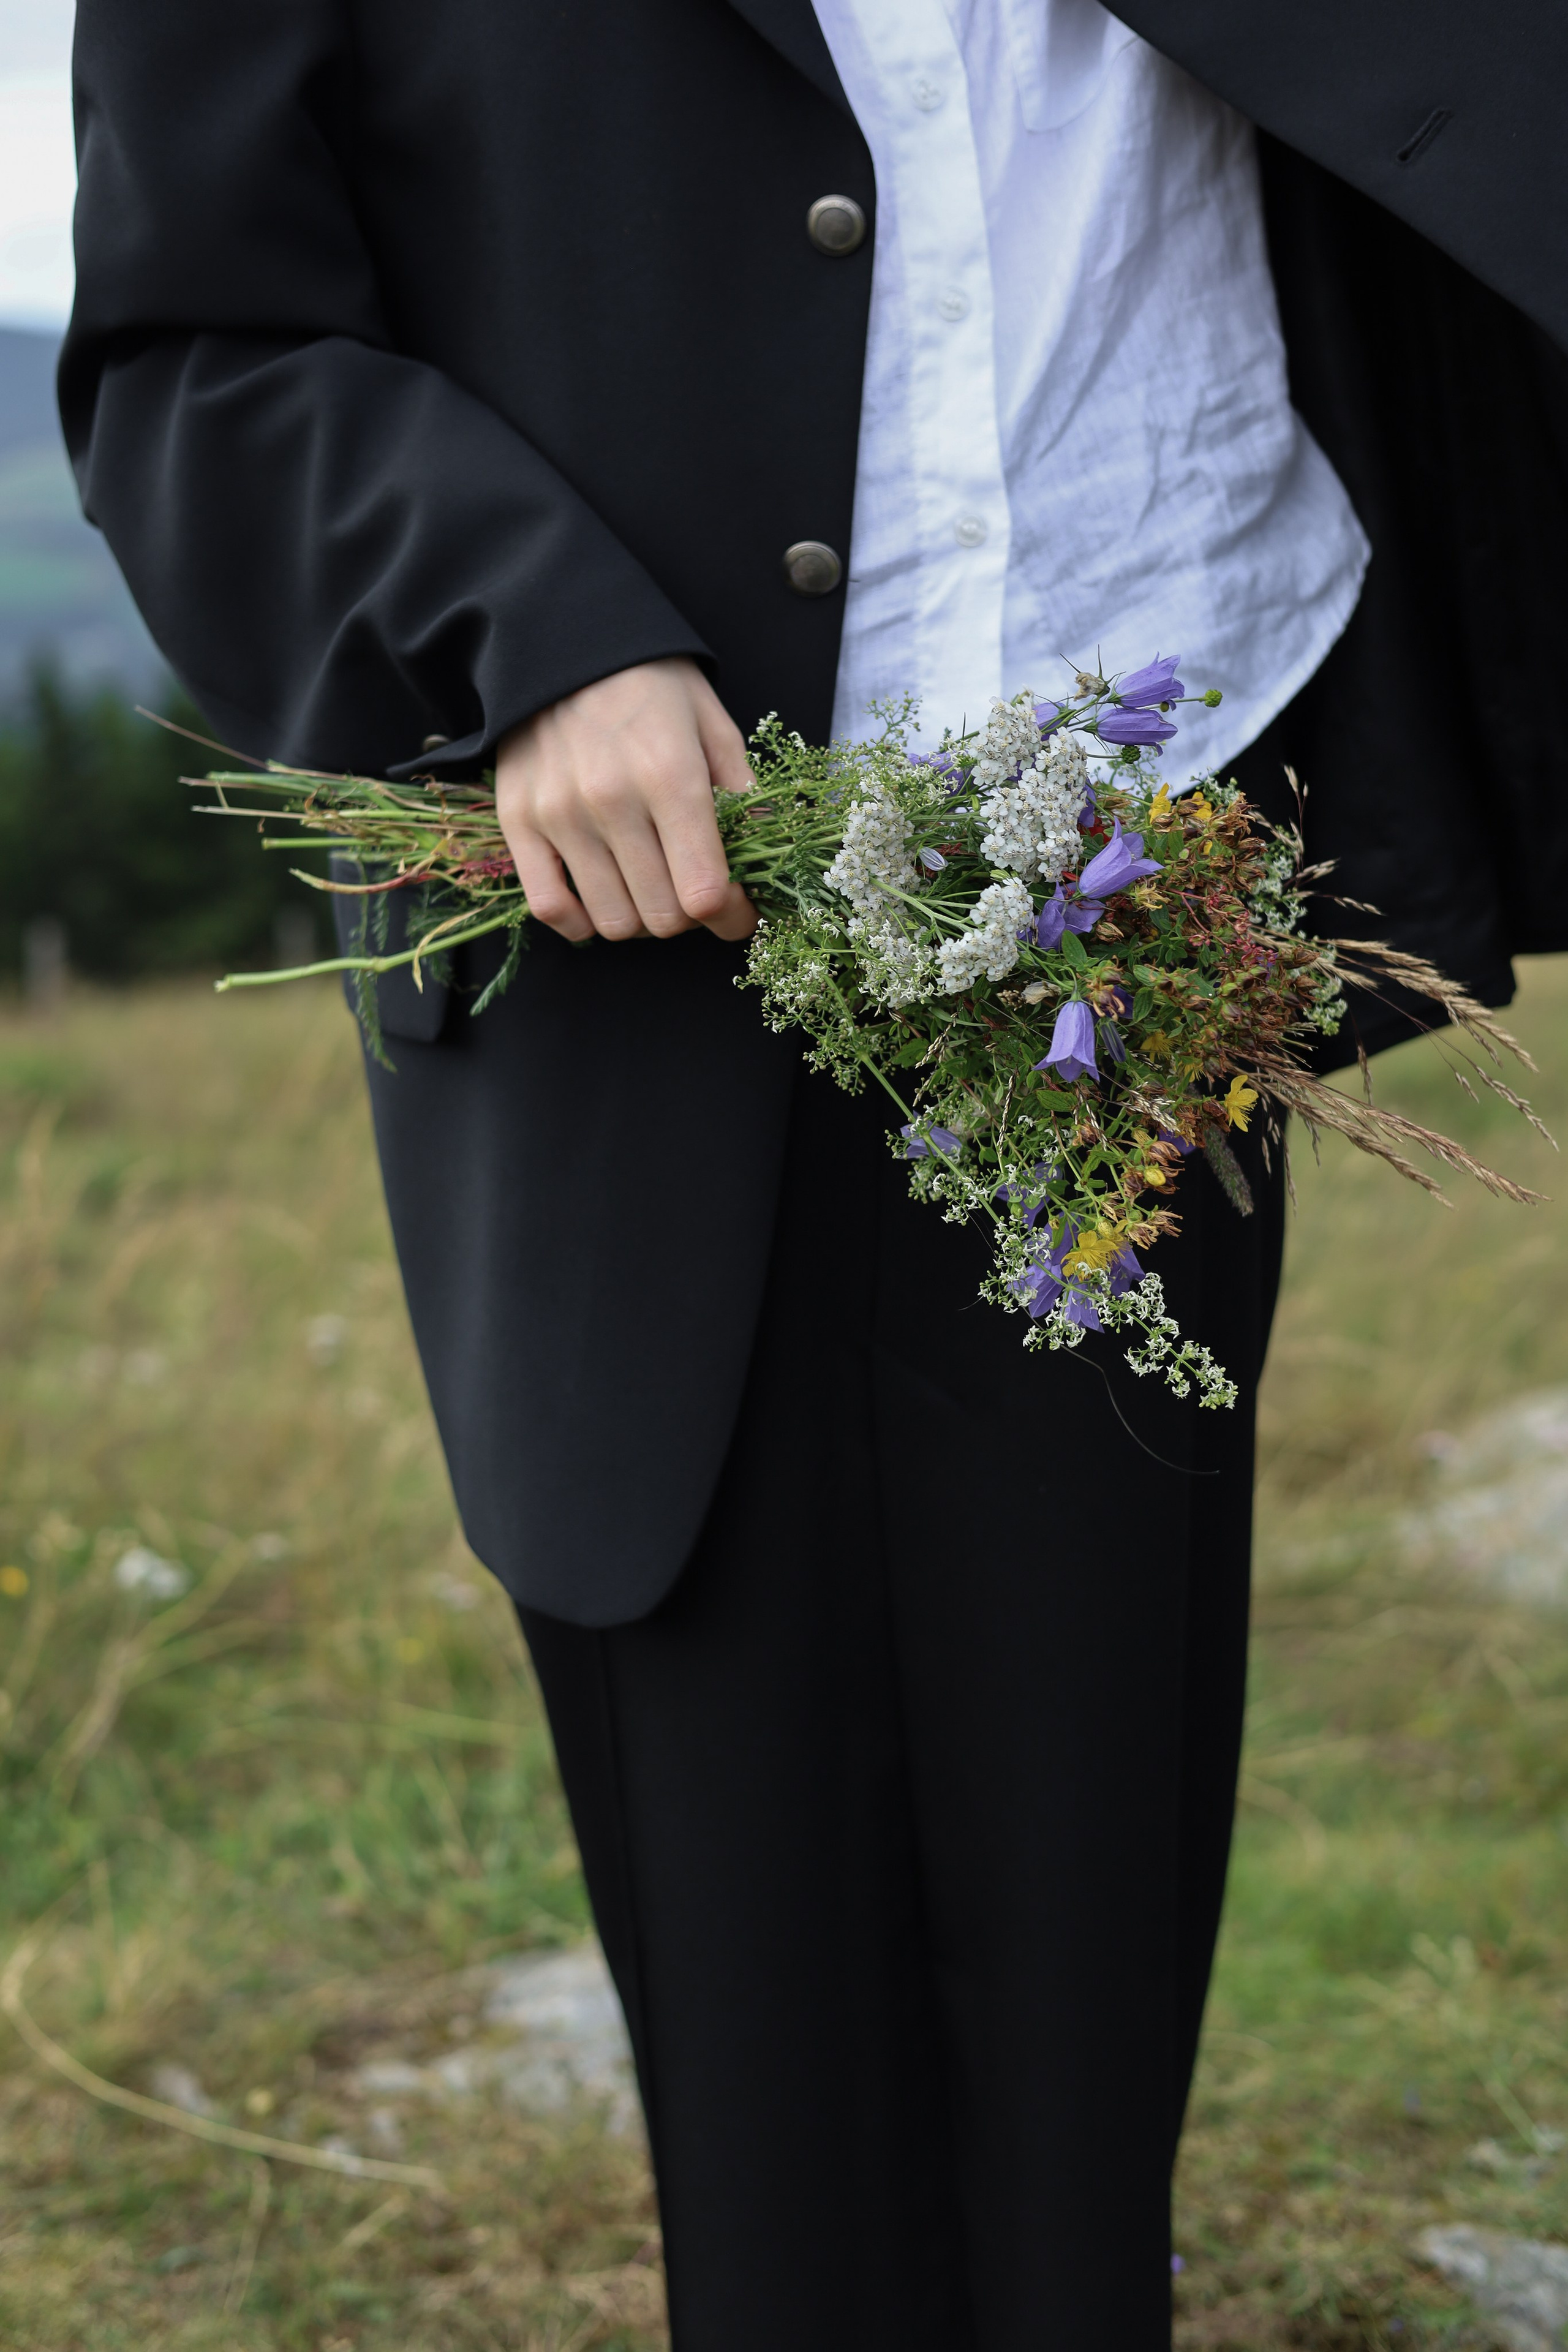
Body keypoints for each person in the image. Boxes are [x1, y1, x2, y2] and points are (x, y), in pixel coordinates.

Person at [62, 1, 1568, 2342]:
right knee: (779, 2052)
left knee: (1086, 1939)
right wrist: (530, 630)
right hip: (638, 970)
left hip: (1134, 903)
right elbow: (196, 357)